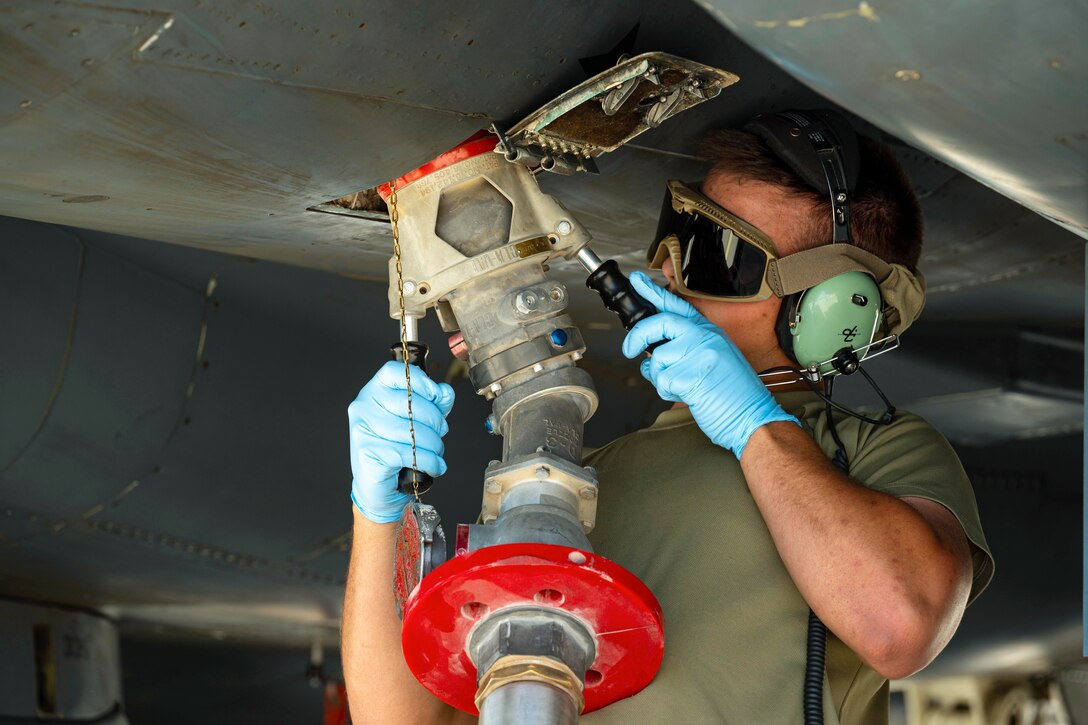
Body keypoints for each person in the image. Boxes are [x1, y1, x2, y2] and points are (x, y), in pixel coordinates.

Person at [340, 112, 994, 724]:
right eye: (674, 231)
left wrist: (749, 422)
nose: (668, 270)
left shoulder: (874, 451)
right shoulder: (584, 480)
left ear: (825, 311)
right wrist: (376, 512)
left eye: (713, 251)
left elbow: (898, 624)